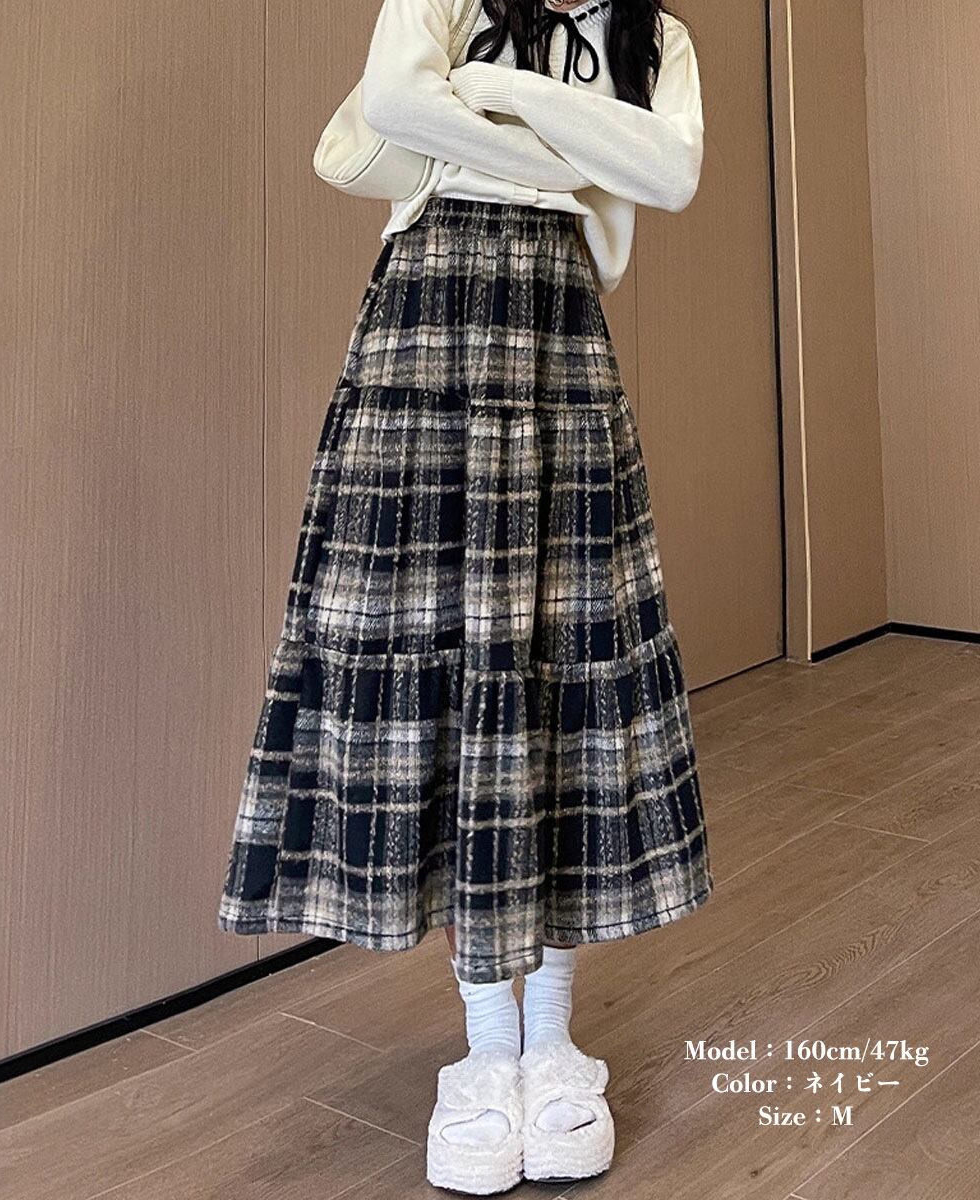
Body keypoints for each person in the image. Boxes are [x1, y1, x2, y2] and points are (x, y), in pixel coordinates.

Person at [217, 0, 714, 1191]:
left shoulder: (657, 38)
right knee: (434, 653)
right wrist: (576, 149)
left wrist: (495, 95)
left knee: (559, 669)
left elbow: (674, 174)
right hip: (424, 327)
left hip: (558, 337)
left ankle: (553, 1048)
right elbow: (394, 102)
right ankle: (489, 1054)